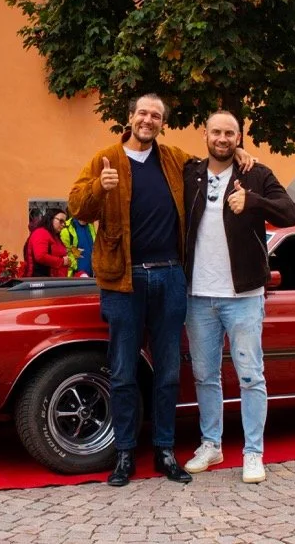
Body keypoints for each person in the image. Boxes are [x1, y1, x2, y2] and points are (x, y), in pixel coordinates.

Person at [68, 93, 254, 487]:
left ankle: (165, 449)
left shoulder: (173, 159)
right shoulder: (105, 159)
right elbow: (77, 208)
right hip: (124, 280)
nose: (148, 120)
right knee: (122, 371)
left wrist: (239, 153)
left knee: (168, 370)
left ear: (162, 122)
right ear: (130, 117)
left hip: (170, 277)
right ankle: (123, 453)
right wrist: (99, 188)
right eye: (142, 113)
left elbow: (211, 162)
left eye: (155, 115)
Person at [180, 111, 295, 483]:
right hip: (198, 294)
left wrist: (254, 201)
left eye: (230, 133)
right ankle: (211, 444)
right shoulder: (191, 174)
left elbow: (290, 214)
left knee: (250, 376)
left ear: (239, 137)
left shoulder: (256, 174)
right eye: (216, 131)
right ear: (205, 134)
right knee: (204, 375)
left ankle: (253, 452)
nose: (222, 138)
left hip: (244, 294)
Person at [22, 208, 70, 277]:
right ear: (51, 218)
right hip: (40, 281)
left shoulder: (54, 235)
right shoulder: (41, 233)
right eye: (61, 221)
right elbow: (40, 256)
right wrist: (62, 261)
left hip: (51, 281)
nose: (63, 225)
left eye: (64, 223)